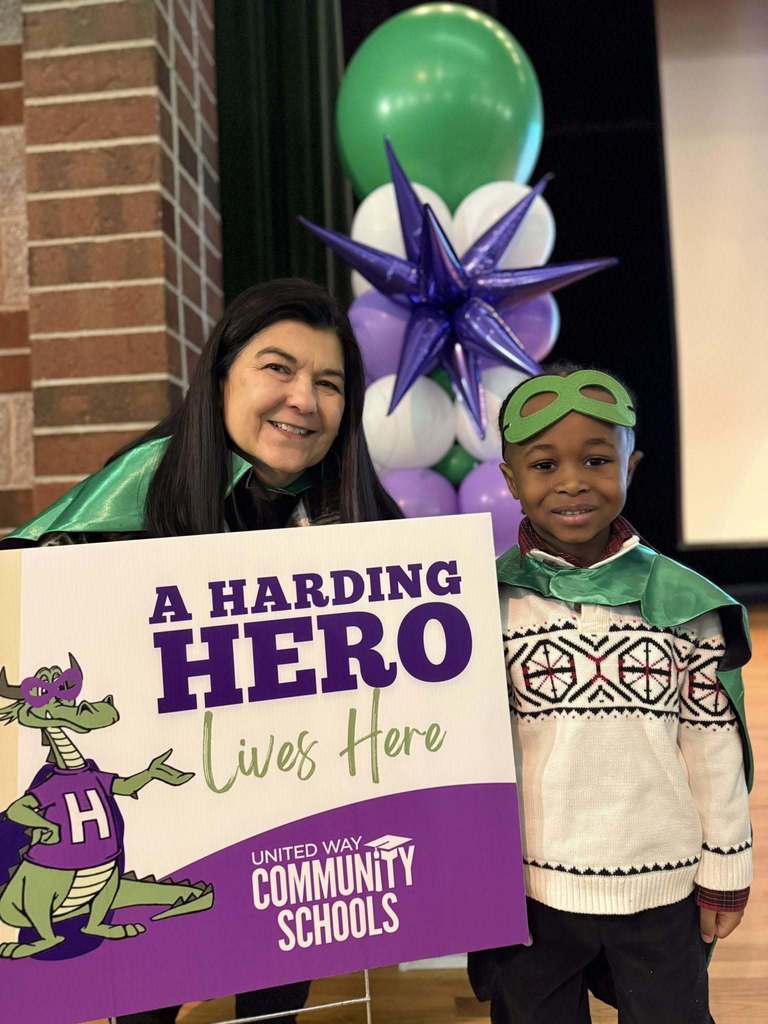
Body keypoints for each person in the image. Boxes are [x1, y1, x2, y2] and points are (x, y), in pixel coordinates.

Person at [3, 277, 401, 1024]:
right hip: (171, 806)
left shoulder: (360, 512)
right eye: (276, 368)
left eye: (329, 383)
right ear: (222, 374)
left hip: (292, 809)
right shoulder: (141, 486)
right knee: (154, 986)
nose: (303, 401)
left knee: (276, 988)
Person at [468, 367, 753, 1024]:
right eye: (544, 464)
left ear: (633, 464)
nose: (572, 480)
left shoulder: (684, 604)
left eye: (597, 459)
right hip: (529, 890)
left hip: (660, 887)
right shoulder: (484, 604)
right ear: (510, 480)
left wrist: (727, 865)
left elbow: (714, 745)